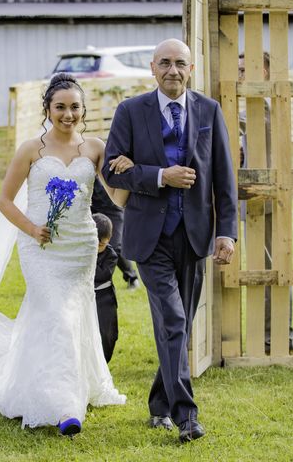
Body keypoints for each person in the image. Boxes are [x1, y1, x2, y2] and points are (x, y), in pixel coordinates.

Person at [0, 73, 133, 436]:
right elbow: (4, 201)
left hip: (79, 247)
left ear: (83, 110)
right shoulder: (30, 150)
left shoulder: (95, 148)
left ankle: (67, 389)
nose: (68, 115)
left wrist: (126, 175)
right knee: (55, 313)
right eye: (60, 107)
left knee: (70, 315)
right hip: (41, 247)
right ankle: (65, 406)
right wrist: (32, 228)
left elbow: (116, 199)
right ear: (47, 110)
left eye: (75, 108)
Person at [102, 39, 237, 443]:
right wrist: (160, 176)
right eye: (165, 63)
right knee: (174, 320)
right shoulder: (130, 111)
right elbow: (113, 171)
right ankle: (186, 415)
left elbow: (224, 178)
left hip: (195, 235)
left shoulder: (209, 110)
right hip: (149, 236)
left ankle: (160, 404)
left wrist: (226, 231)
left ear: (191, 69)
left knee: (175, 324)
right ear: (152, 68)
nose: (172, 70)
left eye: (180, 63)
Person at [238, 52, 293, 353]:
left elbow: (236, 121)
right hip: (255, 198)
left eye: (245, 70)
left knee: (271, 269)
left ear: (262, 71)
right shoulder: (257, 105)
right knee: (266, 268)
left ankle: (277, 337)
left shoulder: (261, 105)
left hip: (267, 199)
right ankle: (275, 334)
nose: (240, 76)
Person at [91, 178, 139, 289]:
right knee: (91, 243)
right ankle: (95, 281)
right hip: (91, 207)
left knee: (114, 245)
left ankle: (132, 276)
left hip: (113, 208)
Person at [93, 212, 119, 363]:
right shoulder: (86, 249)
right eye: (94, 243)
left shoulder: (111, 255)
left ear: (108, 240)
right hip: (87, 297)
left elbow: (101, 275)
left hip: (105, 299)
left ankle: (104, 361)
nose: (97, 248)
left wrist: (90, 261)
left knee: (107, 333)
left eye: (101, 244)